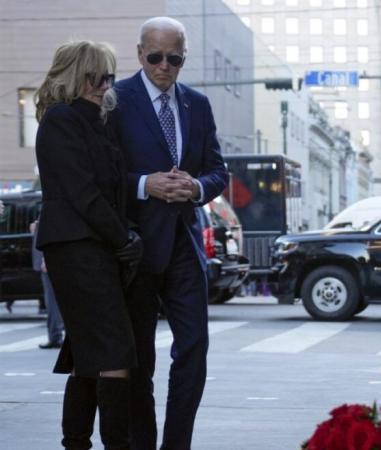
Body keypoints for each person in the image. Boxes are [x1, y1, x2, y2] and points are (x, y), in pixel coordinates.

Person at [113, 17, 227, 450]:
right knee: (140, 358)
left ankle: (177, 444)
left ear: (184, 58)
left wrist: (197, 187)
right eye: (156, 56)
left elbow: (217, 168)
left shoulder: (196, 104)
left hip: (184, 241)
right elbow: (102, 174)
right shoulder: (115, 100)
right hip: (136, 247)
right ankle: (142, 442)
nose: (164, 66)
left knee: (194, 348)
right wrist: (146, 184)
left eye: (174, 58)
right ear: (140, 53)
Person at [34, 40, 143, 449]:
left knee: (87, 352)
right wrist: (124, 237)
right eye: (94, 76)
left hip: (97, 247)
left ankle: (76, 442)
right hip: (75, 248)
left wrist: (125, 234)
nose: (103, 85)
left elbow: (112, 191)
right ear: (74, 75)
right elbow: (82, 193)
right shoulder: (61, 119)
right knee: (114, 354)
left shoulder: (99, 122)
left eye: (109, 76)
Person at [30, 218, 64, 349]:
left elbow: (52, 228)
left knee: (53, 301)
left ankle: (55, 336)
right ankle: (55, 336)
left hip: (50, 260)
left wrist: (46, 258)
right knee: (52, 301)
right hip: (50, 259)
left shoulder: (53, 201)